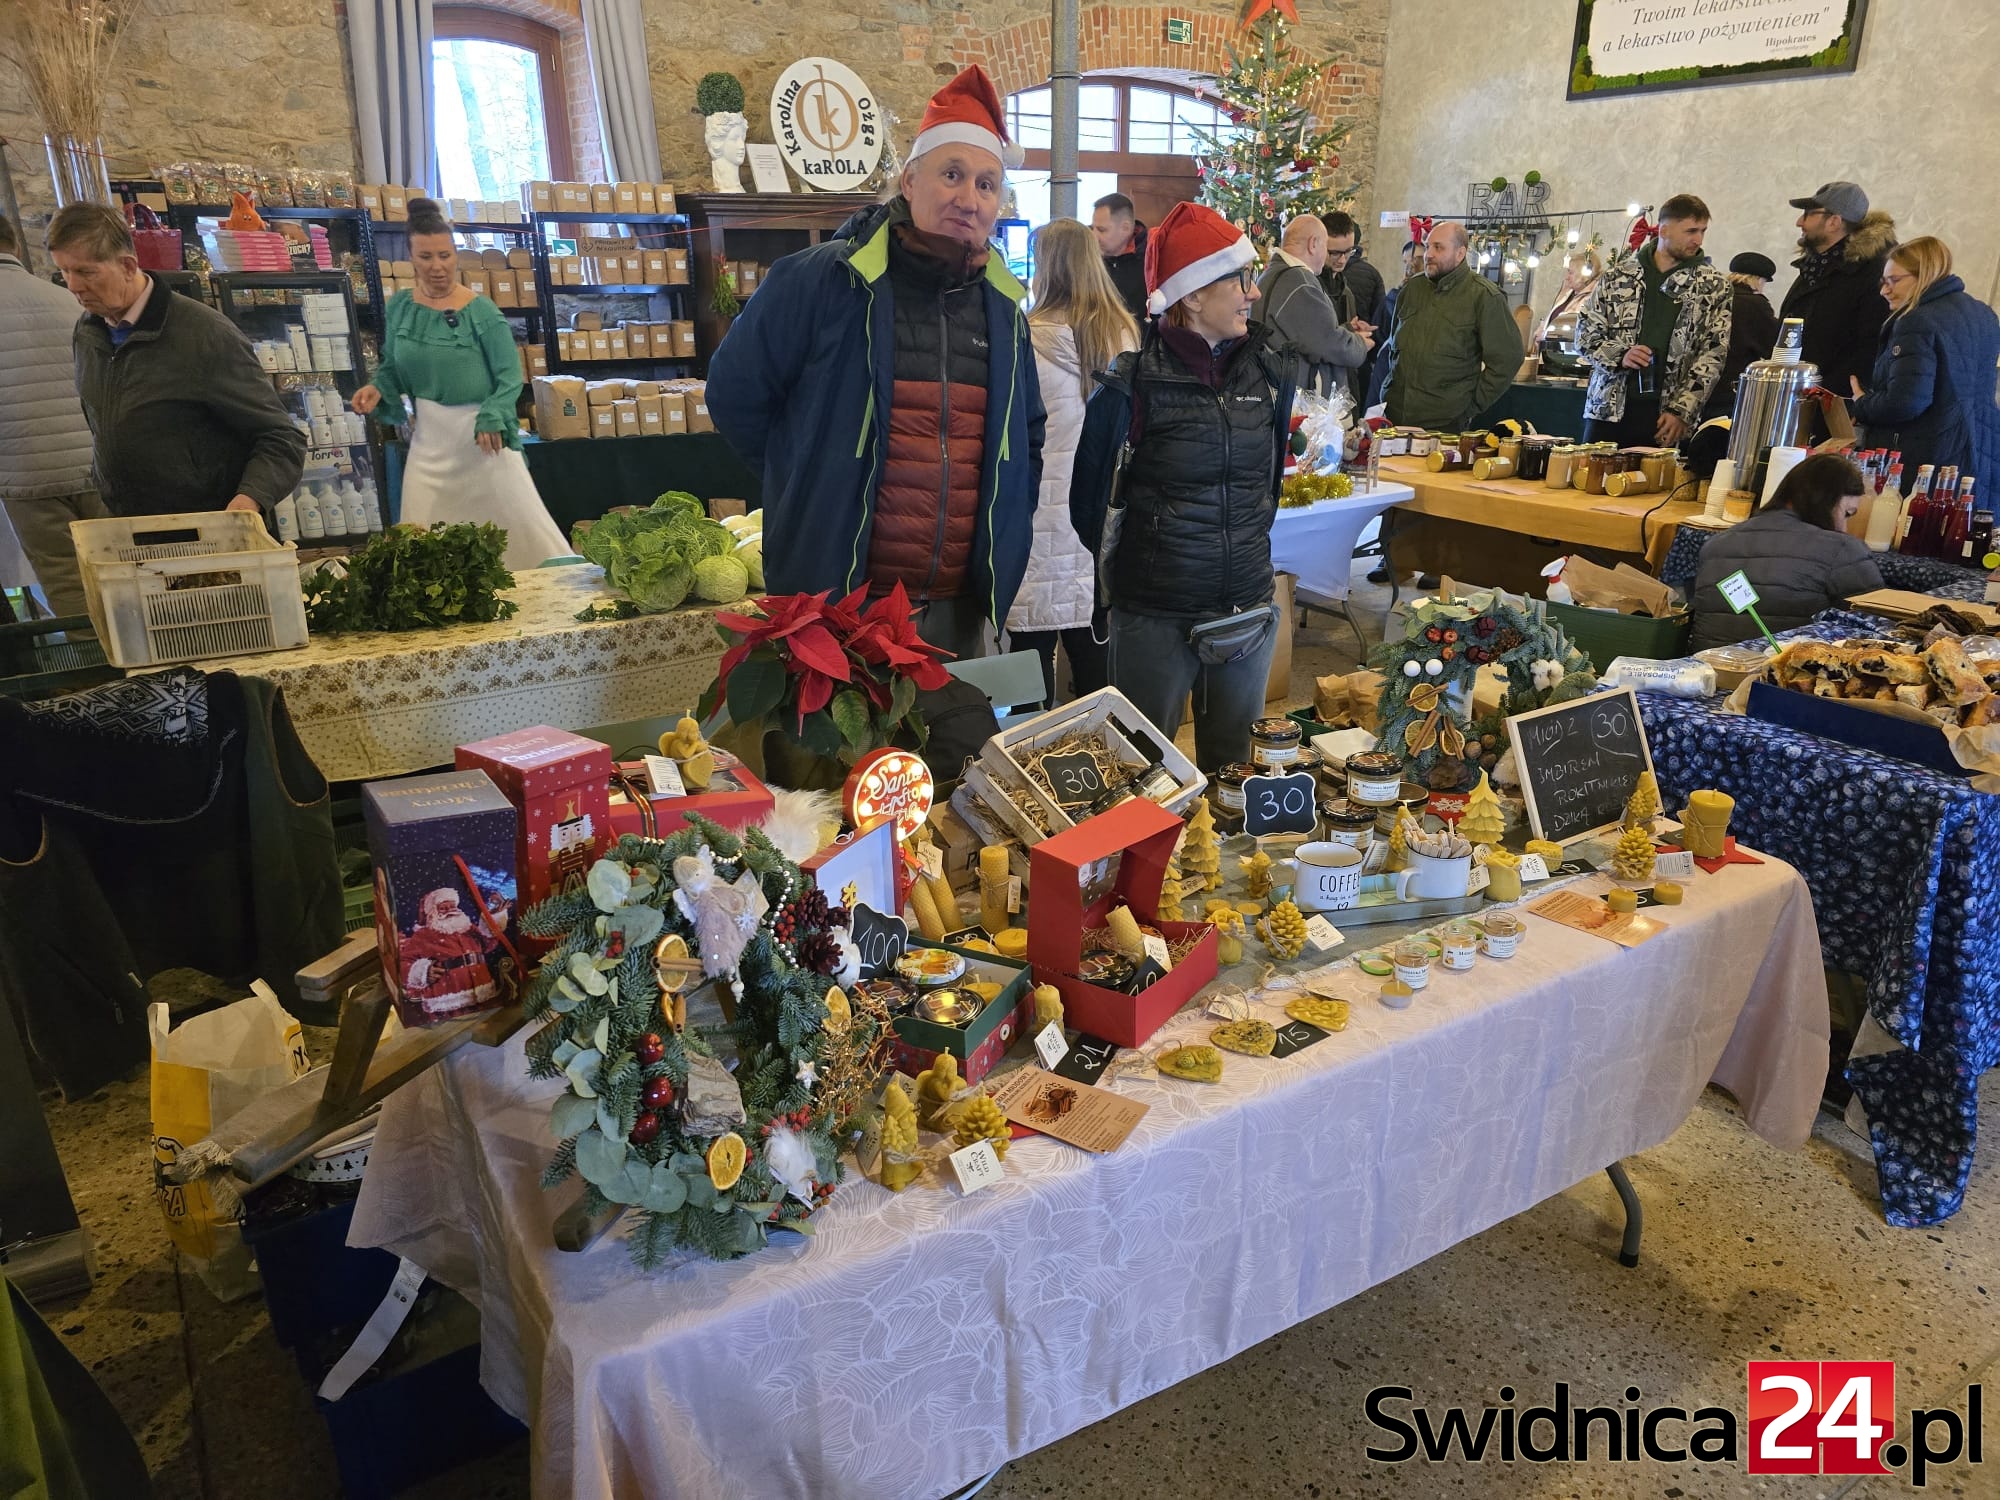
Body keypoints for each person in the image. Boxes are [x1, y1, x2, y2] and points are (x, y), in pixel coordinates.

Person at [709, 65, 1045, 662]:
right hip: (840, 606)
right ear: (909, 181)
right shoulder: (820, 282)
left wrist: (1006, 529)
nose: (969, 199)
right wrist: (806, 475)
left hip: (958, 611)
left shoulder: (1005, 309)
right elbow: (734, 396)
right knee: (836, 759)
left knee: (953, 759)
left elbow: (1029, 435)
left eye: (988, 184)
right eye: (952, 175)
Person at [1069, 201, 1293, 772]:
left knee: (1235, 775)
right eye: (1239, 279)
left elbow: (1267, 488)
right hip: (1156, 614)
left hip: (1245, 604)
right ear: (1192, 294)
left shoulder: (1268, 374)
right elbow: (1087, 504)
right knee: (1143, 771)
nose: (1253, 293)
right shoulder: (1130, 385)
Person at [351, 198, 567, 571]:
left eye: (445, 255)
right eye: (426, 257)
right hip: (429, 444)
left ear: (455, 255)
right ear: (411, 258)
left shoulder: (481, 312)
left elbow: (509, 377)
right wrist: (378, 388)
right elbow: (393, 366)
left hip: (483, 442)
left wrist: (493, 414)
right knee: (420, 538)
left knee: (524, 534)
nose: (437, 266)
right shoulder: (401, 307)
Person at [49, 203, 303, 519]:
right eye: (64, 271)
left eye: (86, 272)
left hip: (205, 530)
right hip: (128, 525)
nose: (73, 286)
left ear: (128, 266)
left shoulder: (205, 335)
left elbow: (281, 437)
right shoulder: (87, 332)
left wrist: (249, 500)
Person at [1006, 217, 1136, 705]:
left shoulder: (1027, 338)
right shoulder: (1124, 336)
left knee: (1029, 667)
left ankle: (1026, 770)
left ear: (1045, 267)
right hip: (1098, 520)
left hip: (1037, 519)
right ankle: (1100, 766)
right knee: (1097, 669)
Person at [0, 215, 104, 616]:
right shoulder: (72, 301)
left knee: (66, 584)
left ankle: (93, 673)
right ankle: (146, 671)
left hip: (26, 473)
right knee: (120, 573)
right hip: (96, 464)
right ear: (18, 248)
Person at [1574, 193, 1732, 448]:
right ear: (1664, 229)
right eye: (1691, 231)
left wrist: (1683, 410)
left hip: (1666, 417)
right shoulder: (1617, 277)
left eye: (1703, 231)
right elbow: (1584, 335)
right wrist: (1620, 354)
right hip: (1607, 409)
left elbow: (1713, 354)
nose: (1698, 239)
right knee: (1588, 483)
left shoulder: (1713, 286)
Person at [1849, 236, 2000, 493]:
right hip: (1984, 448)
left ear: (1925, 275)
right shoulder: (1984, 314)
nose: (1884, 290)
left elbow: (1906, 401)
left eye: (1894, 280)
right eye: (1883, 282)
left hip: (1931, 454)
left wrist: (1862, 402)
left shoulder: (1915, 321)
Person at [1689, 454, 1881, 652]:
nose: (1844, 527)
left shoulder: (1715, 544)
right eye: (1847, 514)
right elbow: (1877, 630)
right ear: (1824, 500)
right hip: (1784, 676)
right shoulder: (1843, 549)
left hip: (1704, 672)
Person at [1379, 221, 1523, 432]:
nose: (1428, 254)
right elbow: (1393, 348)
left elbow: (1507, 359)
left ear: (1460, 253)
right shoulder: (1412, 290)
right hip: (1394, 417)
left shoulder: (1484, 296)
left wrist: (1469, 405)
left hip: (1444, 425)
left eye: (1439, 247)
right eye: (1428, 246)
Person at [1778, 181, 1897, 397]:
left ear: (1834, 221)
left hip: (1834, 402)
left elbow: (1872, 346)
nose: (1799, 222)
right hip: (1800, 396)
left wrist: (1842, 398)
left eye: (1808, 214)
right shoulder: (1815, 268)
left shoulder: (1870, 274)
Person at [1250, 213, 1372, 397]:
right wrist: (1360, 344)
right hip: (1293, 399)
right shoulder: (1299, 282)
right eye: (1327, 248)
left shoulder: (1273, 274)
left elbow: (1305, 333)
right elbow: (1328, 343)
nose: (1327, 257)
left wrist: (1346, 329)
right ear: (1313, 244)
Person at [1701, 251, 1782, 423]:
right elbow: (1775, 348)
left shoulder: (1714, 297)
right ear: (1759, 279)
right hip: (1730, 393)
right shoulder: (1755, 305)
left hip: (1701, 386)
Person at [1317, 211, 1386, 404]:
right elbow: (1317, 339)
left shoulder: (1344, 287)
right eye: (1334, 253)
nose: (1342, 260)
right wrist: (1349, 332)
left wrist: (1354, 329)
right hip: (1321, 388)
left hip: (1347, 379)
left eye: (1349, 252)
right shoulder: (1309, 286)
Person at [1091, 193, 1149, 323]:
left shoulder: (1150, 261)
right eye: (1092, 228)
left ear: (1126, 228)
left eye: (1102, 230)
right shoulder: (1088, 258)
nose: (1093, 236)